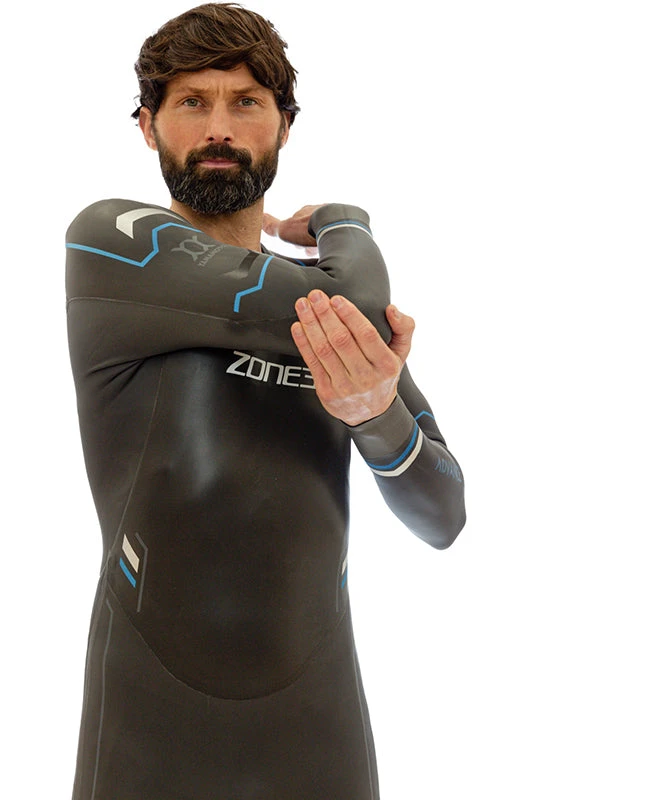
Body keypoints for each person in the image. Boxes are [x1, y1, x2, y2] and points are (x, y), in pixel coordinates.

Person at [65, 4, 466, 798]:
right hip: (148, 730)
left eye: (246, 102)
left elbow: (443, 515)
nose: (219, 127)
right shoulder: (113, 246)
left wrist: (373, 413)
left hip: (318, 731)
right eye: (192, 101)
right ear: (147, 125)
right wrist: (345, 223)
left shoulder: (332, 321)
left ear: (284, 125)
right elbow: (356, 296)